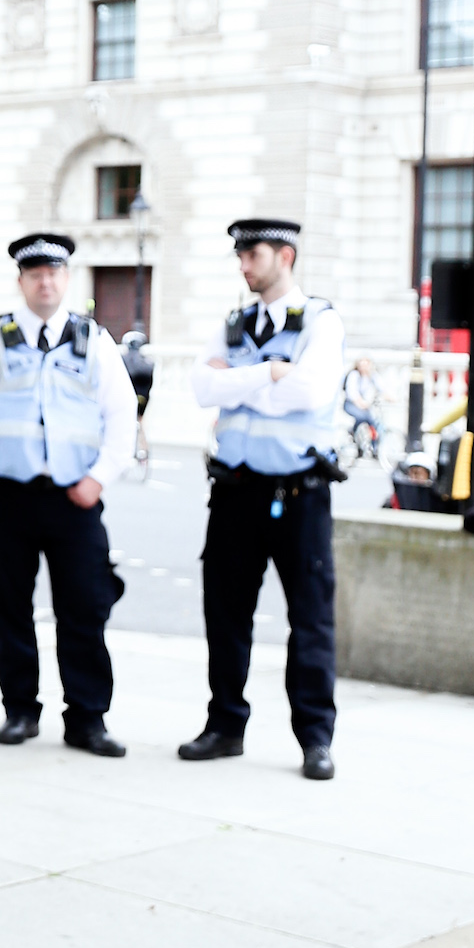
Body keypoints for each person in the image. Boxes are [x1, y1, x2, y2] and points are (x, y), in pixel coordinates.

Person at [0, 231, 137, 753]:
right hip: (5, 499)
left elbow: (121, 414)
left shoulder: (93, 340)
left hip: (74, 499)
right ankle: (20, 710)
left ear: (66, 280)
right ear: (22, 281)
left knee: (86, 610)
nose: (45, 282)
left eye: (54, 273)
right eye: (35, 273)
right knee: (8, 610)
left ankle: (88, 718)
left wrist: (100, 477)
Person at [180, 217, 343, 779]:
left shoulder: (321, 321)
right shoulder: (234, 322)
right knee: (225, 616)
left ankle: (315, 739)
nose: (243, 266)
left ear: (285, 256)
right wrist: (269, 372)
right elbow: (201, 389)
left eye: (252, 255)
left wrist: (242, 381)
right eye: (240, 256)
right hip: (235, 493)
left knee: (312, 619)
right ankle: (225, 726)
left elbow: (311, 392)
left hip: (299, 493)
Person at [343, 354, 383, 463]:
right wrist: (360, 403)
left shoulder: (372, 376)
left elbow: (382, 388)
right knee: (363, 418)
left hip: (365, 405)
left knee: (374, 423)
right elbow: (351, 393)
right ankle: (355, 438)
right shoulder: (354, 375)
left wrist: (391, 397)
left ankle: (374, 448)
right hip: (351, 404)